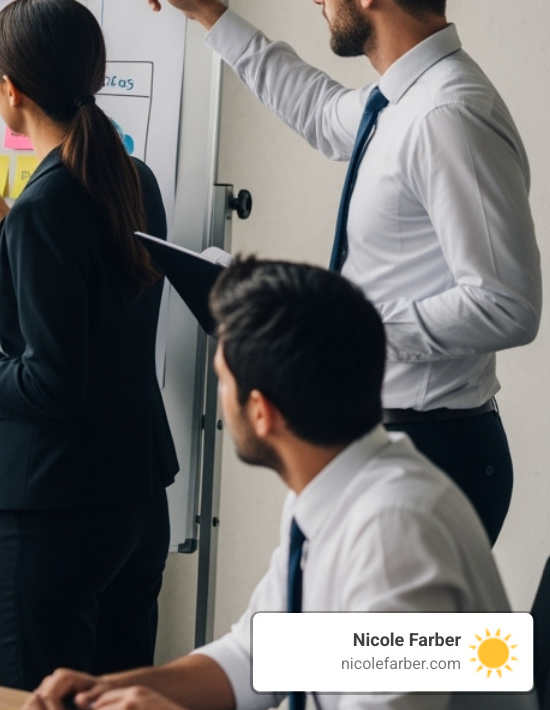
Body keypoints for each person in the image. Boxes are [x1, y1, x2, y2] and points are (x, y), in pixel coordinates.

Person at [126, 0, 539, 543]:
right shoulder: (399, 101)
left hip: (436, 447)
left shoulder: (449, 116)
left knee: (376, 652)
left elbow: (507, 304)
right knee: (336, 644)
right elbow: (320, 113)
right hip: (386, 436)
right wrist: (203, 9)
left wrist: (339, 326)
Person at [28, 258, 531, 710]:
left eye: (223, 378)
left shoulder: (396, 531)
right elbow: (261, 659)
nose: (220, 394)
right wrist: (103, 692)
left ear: (261, 412)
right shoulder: (330, 489)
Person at [0, 0, 178, 690]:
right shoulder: (132, 180)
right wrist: (5, 225)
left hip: (57, 508)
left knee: (36, 699)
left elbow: (50, 382)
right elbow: (93, 298)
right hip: (135, 498)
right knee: (121, 701)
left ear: (10, 90)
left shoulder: (49, 208)